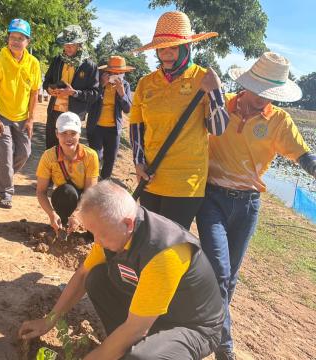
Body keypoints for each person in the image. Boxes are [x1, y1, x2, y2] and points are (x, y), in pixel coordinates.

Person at [196, 52, 316, 360]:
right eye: (259, 90)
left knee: (230, 277)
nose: (262, 99)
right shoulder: (221, 106)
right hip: (212, 198)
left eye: (269, 94)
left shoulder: (278, 120)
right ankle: (224, 348)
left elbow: (303, 156)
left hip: (248, 205)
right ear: (247, 84)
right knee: (220, 273)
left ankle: (212, 322)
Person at [19, 181, 224, 359]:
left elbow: (137, 328)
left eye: (101, 235)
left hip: (192, 326)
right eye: (93, 233)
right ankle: (119, 350)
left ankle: (149, 351)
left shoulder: (163, 252)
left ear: (127, 223)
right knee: (96, 278)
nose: (96, 241)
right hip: (154, 312)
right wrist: (49, 320)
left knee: (143, 357)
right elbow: (82, 276)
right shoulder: (115, 228)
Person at [129, 11, 229, 230]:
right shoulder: (146, 83)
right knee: (148, 238)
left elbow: (219, 128)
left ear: (187, 47)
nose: (166, 54)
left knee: (169, 244)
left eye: (173, 47)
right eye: (162, 48)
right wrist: (138, 162)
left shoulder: (203, 78)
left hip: (186, 184)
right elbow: (136, 125)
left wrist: (215, 93)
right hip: (151, 177)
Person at [0, 19, 42, 209]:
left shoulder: (33, 63)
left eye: (20, 38)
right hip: (2, 115)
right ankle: (6, 192)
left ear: (28, 41)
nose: (15, 41)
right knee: (6, 154)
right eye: (12, 37)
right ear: (8, 38)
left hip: (23, 117)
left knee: (25, 153)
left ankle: (1, 175)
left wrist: (32, 119)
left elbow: (35, 92)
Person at [36, 112, 99, 235]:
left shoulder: (91, 156)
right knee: (66, 191)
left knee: (94, 231)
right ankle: (63, 221)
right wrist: (51, 214)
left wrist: (77, 214)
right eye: (64, 133)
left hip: (87, 199)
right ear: (56, 134)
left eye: (73, 133)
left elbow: (90, 193)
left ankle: (84, 225)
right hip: (66, 197)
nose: (68, 138)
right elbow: (41, 191)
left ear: (79, 134)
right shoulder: (48, 156)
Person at [42, 24, 99, 149]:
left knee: (68, 150)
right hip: (54, 112)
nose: (68, 47)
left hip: (74, 115)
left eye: (72, 44)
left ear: (79, 45)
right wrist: (49, 89)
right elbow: (46, 82)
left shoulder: (89, 66)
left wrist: (74, 93)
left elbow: (94, 94)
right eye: (65, 43)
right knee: (51, 150)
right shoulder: (57, 60)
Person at [87, 56, 133, 179]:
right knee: (95, 157)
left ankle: (104, 183)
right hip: (96, 126)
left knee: (110, 159)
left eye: (119, 73)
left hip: (114, 129)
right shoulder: (98, 81)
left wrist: (122, 93)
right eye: (113, 72)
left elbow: (128, 109)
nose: (116, 75)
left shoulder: (125, 85)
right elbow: (89, 101)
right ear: (108, 71)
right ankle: (91, 183)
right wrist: (101, 85)